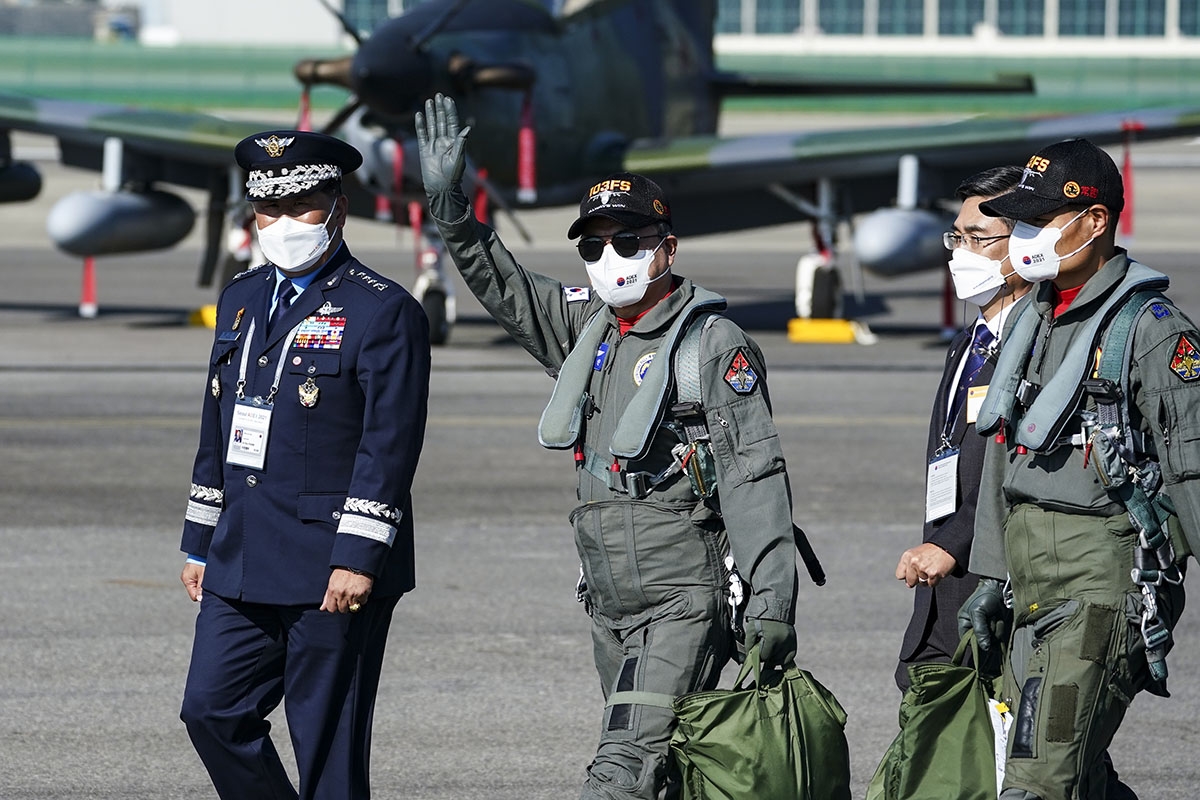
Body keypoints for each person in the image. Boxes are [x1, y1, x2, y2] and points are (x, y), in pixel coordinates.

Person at [415, 93, 801, 800]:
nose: (609, 256)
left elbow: (754, 475)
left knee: (618, 772)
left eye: (629, 240)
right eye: (593, 244)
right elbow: (502, 286)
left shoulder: (712, 346)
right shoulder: (586, 331)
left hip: (680, 597)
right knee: (667, 773)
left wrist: (773, 599)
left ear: (667, 247)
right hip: (609, 599)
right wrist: (451, 208)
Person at [177, 129, 431, 800]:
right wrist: (200, 540)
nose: (284, 225)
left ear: (338, 208)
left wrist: (358, 556)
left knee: (329, 754)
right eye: (270, 211)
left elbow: (390, 445)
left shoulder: (382, 310)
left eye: (301, 208)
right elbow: (217, 426)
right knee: (210, 710)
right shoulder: (240, 300)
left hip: (332, 564)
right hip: (241, 552)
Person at [960, 138, 1200, 800]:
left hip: (1100, 580)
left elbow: (1193, 472)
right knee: (1073, 776)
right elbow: (1003, 456)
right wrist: (991, 577)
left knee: (1038, 782)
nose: (1025, 236)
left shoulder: (1151, 331)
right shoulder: (1033, 320)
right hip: (1029, 577)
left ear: (1094, 222)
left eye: (1040, 221)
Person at [893, 165, 1030, 691]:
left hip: (998, 585)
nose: (960, 252)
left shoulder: (1039, 347)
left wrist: (952, 543)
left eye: (978, 238)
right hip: (944, 584)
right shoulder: (969, 340)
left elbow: (1014, 474)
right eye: (957, 236)